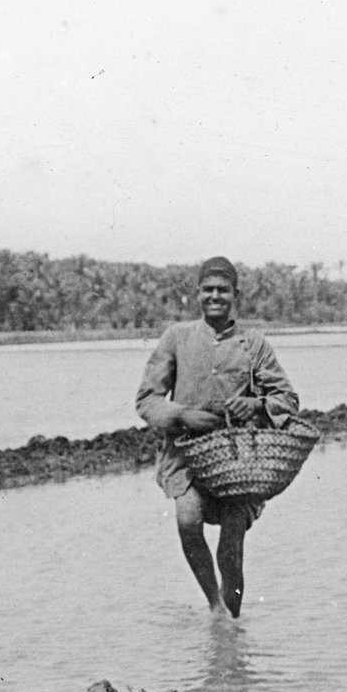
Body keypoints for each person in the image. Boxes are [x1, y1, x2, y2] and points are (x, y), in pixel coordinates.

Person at [136, 256, 299, 618]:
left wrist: (256, 405)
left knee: (231, 544)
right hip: (185, 456)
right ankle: (215, 605)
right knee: (187, 521)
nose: (215, 296)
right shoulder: (177, 337)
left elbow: (288, 399)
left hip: (238, 461)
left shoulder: (252, 343)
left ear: (235, 295)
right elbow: (147, 399)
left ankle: (231, 629)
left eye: (222, 291)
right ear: (197, 294)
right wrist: (180, 415)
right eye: (208, 290)